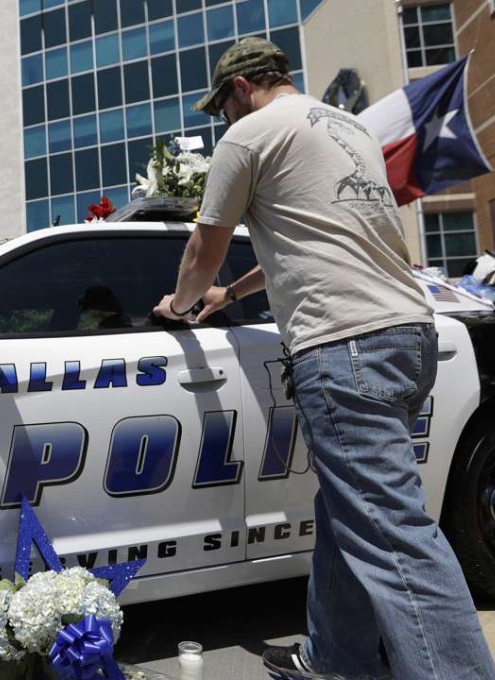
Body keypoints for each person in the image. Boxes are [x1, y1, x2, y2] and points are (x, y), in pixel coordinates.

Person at [151, 36, 495, 680]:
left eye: (220, 106)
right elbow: (321, 237)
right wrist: (236, 290)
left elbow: (202, 249)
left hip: (345, 344)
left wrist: (181, 302)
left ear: (241, 89)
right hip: (410, 335)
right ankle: (335, 657)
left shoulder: (248, 135)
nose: (221, 119)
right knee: (348, 509)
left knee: (392, 534)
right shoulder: (349, 130)